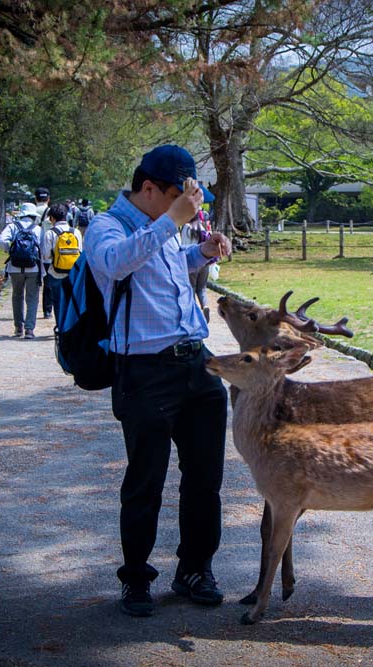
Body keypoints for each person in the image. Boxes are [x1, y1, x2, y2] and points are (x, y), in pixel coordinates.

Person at [84, 144, 233, 618]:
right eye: (176, 195)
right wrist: (171, 221)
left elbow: (165, 267)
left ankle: (194, 568)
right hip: (145, 372)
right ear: (148, 188)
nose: (186, 205)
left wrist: (201, 253)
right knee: (145, 480)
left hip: (197, 363)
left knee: (206, 478)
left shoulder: (164, 226)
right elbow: (116, 263)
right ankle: (136, 579)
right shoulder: (106, 227)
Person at [0, 202, 43, 339]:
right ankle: (29, 329)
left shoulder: (12, 226)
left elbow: (1, 240)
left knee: (17, 296)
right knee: (32, 298)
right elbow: (43, 248)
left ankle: (18, 327)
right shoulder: (38, 229)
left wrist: (9, 250)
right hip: (33, 267)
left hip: (14, 267)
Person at [40, 203, 80, 325]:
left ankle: (60, 327)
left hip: (55, 272)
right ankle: (70, 328)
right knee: (71, 302)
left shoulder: (50, 233)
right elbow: (80, 252)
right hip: (73, 273)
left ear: (52, 218)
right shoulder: (76, 232)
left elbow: (46, 256)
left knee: (57, 301)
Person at [180, 210, 212, 322]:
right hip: (204, 261)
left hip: (192, 262)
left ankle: (194, 313)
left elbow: (183, 245)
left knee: (191, 288)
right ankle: (205, 306)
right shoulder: (202, 228)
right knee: (202, 288)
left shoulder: (186, 227)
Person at [34, 187, 53, 319]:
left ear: (35, 198)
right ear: (48, 199)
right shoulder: (52, 212)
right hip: (47, 251)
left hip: (33, 251)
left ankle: (31, 310)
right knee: (48, 283)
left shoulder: (31, 211)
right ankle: (47, 310)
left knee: (32, 283)